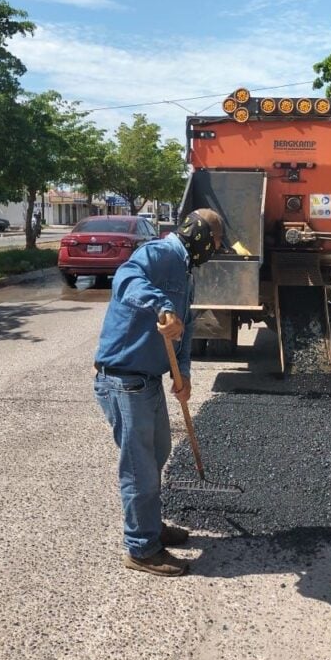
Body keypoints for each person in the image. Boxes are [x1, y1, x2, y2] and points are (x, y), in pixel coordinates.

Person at [94, 207, 224, 577]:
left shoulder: (186, 273)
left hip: (147, 381)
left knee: (159, 454)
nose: (214, 249)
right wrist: (162, 306)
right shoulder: (157, 253)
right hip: (122, 380)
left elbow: (183, 330)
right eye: (214, 242)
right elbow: (126, 277)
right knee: (140, 471)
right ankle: (141, 548)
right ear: (199, 236)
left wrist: (182, 374)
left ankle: (151, 525)